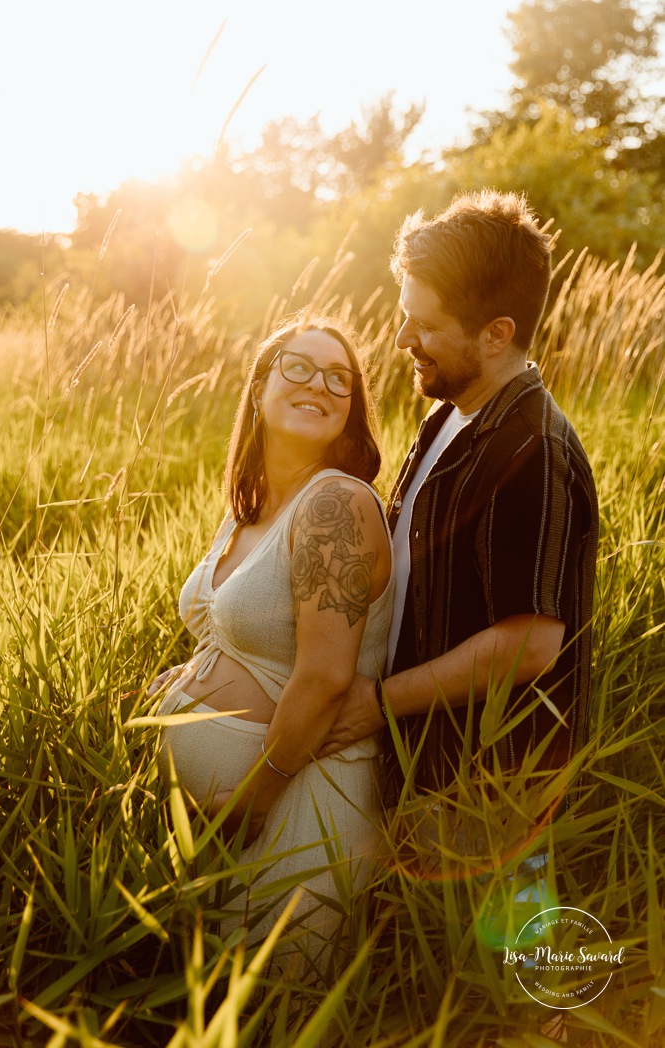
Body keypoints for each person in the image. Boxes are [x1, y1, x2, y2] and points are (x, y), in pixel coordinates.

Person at [319, 190, 599, 817]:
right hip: (418, 764)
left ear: (497, 334)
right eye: (403, 315)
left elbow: (528, 644)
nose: (401, 339)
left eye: (424, 324)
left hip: (483, 790)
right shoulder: (450, 412)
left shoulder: (533, 451)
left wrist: (381, 702)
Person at [150, 311, 394, 959]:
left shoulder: (332, 506)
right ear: (258, 387)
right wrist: (177, 684)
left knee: (270, 1011)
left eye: (339, 378)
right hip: (227, 817)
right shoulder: (250, 509)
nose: (319, 384)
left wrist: (251, 802)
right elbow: (234, 635)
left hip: (294, 808)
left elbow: (323, 676)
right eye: (298, 367)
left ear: (352, 406)